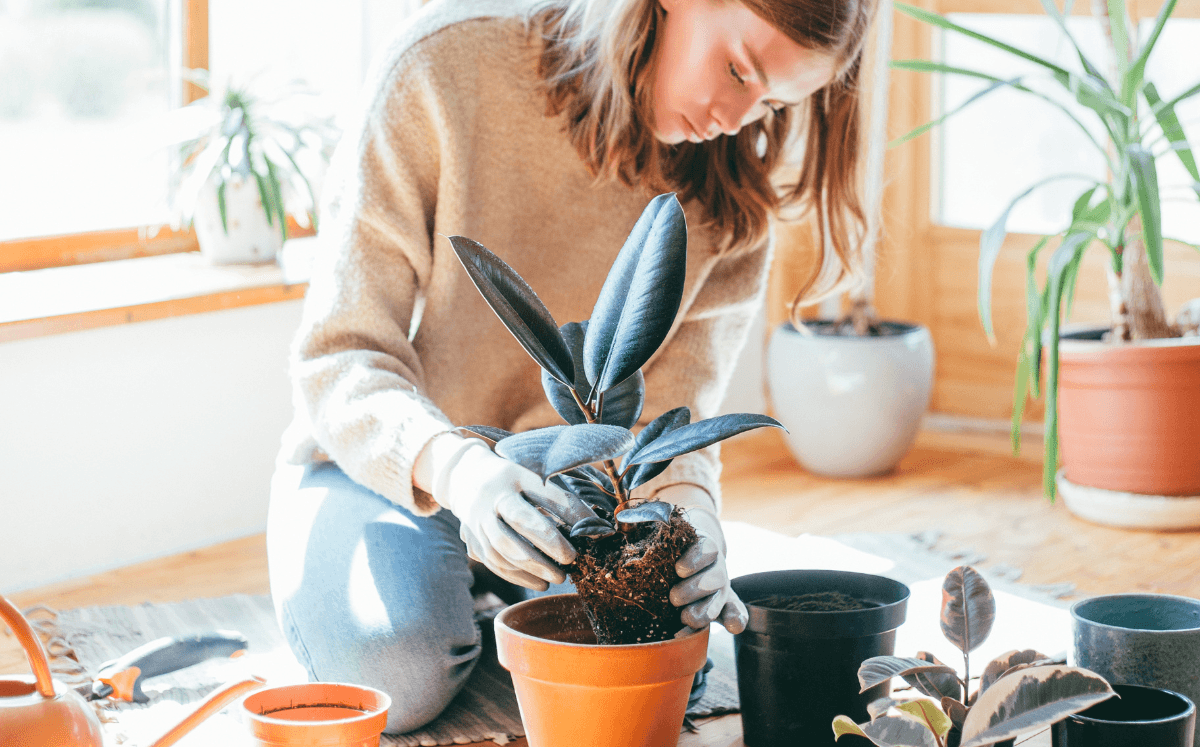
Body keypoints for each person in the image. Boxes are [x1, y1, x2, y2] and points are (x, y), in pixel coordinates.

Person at [266, 0, 878, 734]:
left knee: (660, 671)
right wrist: (462, 472)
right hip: (396, 466)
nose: (739, 117)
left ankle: (508, 614)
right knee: (397, 671)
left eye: (773, 101)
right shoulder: (443, 68)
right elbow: (339, 355)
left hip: (572, 508)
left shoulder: (726, 204)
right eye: (738, 69)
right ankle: (476, 613)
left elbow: (669, 429)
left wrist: (700, 530)